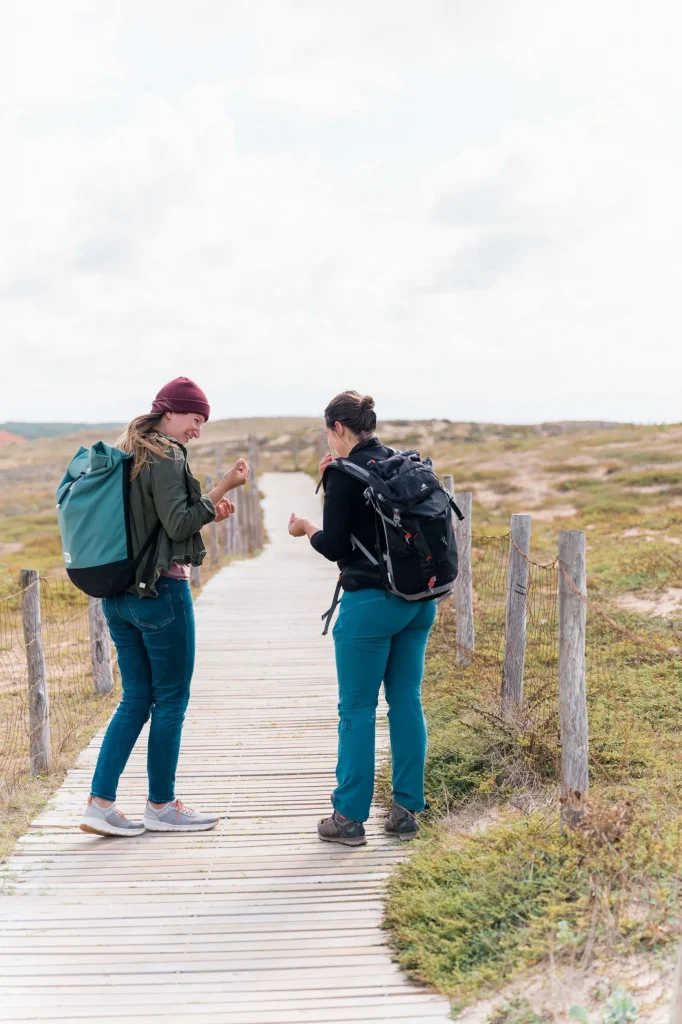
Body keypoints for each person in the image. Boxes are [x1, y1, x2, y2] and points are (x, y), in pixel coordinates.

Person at [80, 376, 249, 838]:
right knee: (171, 698)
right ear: (172, 412)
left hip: (118, 596)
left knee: (135, 699)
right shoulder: (168, 456)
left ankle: (99, 803)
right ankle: (161, 805)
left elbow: (159, 522)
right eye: (196, 419)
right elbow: (178, 524)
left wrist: (211, 501)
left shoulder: (131, 453)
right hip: (161, 595)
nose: (198, 429)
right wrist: (217, 495)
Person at [288, 391, 436, 846]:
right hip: (418, 602)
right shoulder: (401, 464)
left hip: (370, 606)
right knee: (406, 701)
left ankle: (349, 819)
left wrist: (306, 528)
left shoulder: (343, 474)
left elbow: (334, 546)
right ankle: (407, 809)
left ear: (337, 428)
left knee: (357, 709)